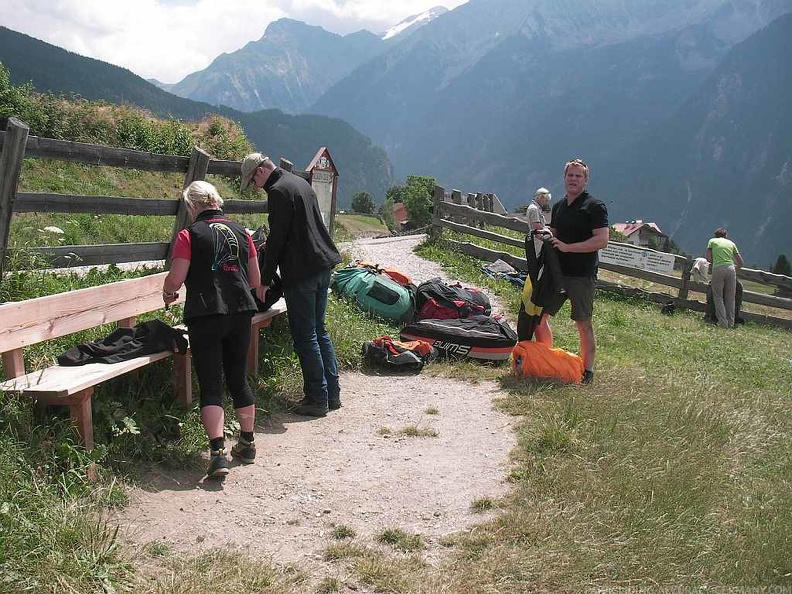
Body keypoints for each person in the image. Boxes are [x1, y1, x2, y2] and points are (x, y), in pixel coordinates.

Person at [163, 180, 261, 479]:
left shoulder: (188, 235)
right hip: (241, 311)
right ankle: (247, 443)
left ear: (192, 206)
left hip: (206, 314)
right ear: (217, 201)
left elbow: (176, 278)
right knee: (237, 378)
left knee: (211, 383)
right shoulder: (244, 232)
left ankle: (217, 453)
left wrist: (168, 293)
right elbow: (255, 280)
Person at [240, 152, 342, 417]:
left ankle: (316, 399)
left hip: (302, 271)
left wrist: (263, 280)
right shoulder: (298, 182)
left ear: (260, 172)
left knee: (306, 335)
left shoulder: (278, 192)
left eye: (252, 181)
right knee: (320, 331)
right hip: (322, 265)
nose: (255, 187)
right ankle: (332, 394)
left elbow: (277, 240)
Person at [545, 158, 609, 385]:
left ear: (585, 180)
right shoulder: (559, 206)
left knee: (583, 323)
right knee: (540, 318)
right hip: (557, 273)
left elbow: (602, 240)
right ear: (564, 178)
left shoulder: (594, 206)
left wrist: (569, 248)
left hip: (581, 275)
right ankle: (544, 360)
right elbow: (553, 235)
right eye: (570, 175)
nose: (573, 179)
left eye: (578, 176)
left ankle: (587, 371)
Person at [522, 187, 555, 345]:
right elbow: (536, 227)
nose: (546, 202)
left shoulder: (533, 208)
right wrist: (548, 232)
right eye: (545, 199)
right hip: (537, 245)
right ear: (540, 198)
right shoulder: (534, 209)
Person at [706, 227, 743, 328]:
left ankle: (723, 322)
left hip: (718, 268)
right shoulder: (731, 243)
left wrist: (714, 264)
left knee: (718, 296)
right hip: (731, 269)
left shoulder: (712, 241)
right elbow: (740, 262)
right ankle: (731, 323)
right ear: (726, 236)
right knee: (730, 298)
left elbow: (708, 257)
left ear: (715, 235)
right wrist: (735, 268)